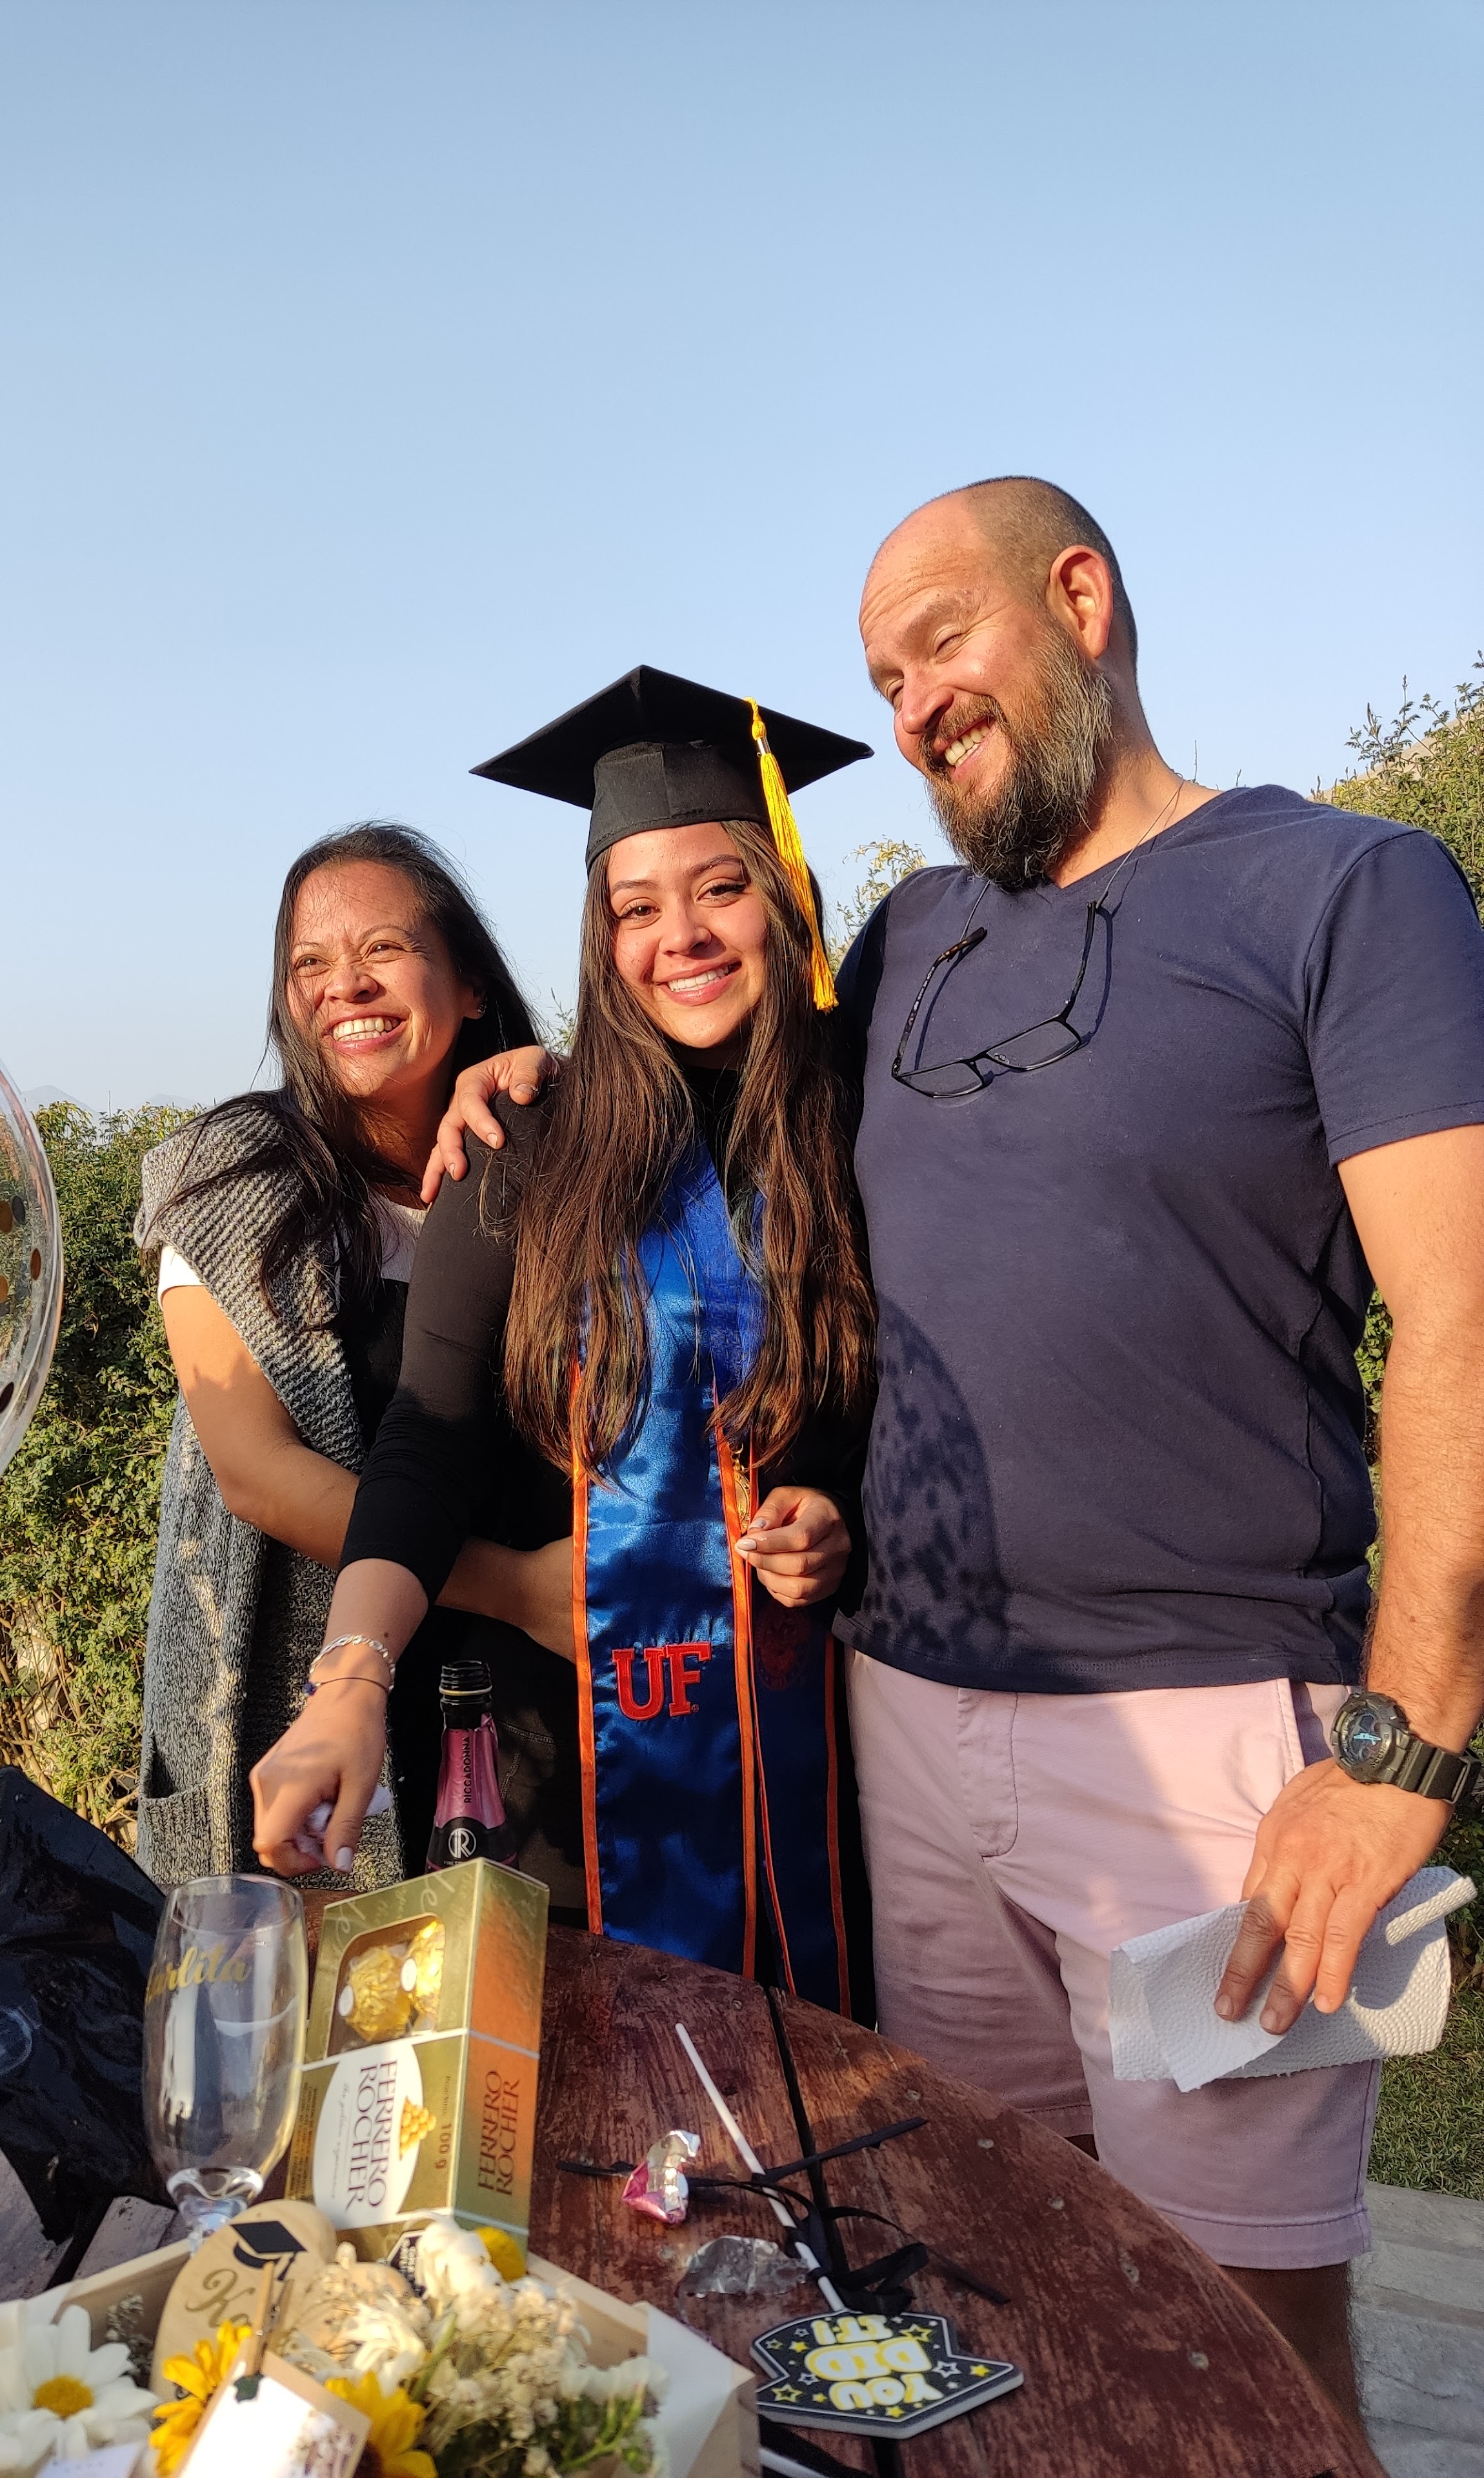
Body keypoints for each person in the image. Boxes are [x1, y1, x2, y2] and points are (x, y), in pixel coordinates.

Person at [427, 484, 1484, 2428]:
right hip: (903, 1734)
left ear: (1081, 599)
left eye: (944, 640)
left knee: (1239, 2339)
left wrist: (1402, 1751)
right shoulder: (910, 942)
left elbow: (1464, 1324)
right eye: (883, 677)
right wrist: (529, 1073)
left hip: (1196, 1740)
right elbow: (725, 1080)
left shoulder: (1342, 889)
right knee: (994, 2267)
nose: (914, 702)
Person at [250, 670, 876, 2000]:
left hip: (833, 1771)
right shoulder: (525, 1141)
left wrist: (835, 1511)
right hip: (573, 1771)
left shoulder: (858, 1122)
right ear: (602, 937)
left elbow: (880, 1412)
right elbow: (430, 1436)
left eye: (721, 888)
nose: (681, 937)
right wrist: (351, 1678)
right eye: (634, 908)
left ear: (785, 894)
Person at [132, 821, 570, 1888]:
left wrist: (567, 1079)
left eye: (384, 949)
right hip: (329, 1681)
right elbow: (257, 1474)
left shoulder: (548, 1159)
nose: (346, 987)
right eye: (310, 965)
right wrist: (520, 1588)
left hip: (536, 1706)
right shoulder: (231, 1180)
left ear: (470, 982)